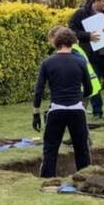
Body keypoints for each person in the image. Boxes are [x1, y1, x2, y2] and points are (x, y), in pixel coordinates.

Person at [32, 26, 93, 178]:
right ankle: (84, 178)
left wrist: (36, 114)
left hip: (57, 109)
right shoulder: (80, 62)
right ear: (72, 42)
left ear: (56, 42)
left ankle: (47, 179)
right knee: (82, 148)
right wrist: (78, 98)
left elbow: (38, 90)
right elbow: (89, 88)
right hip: (76, 110)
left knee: (51, 148)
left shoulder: (47, 63)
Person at [68, 0, 104, 120]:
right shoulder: (81, 13)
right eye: (103, 1)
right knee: (94, 85)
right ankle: (97, 112)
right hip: (91, 56)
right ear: (95, 0)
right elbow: (72, 30)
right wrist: (88, 36)